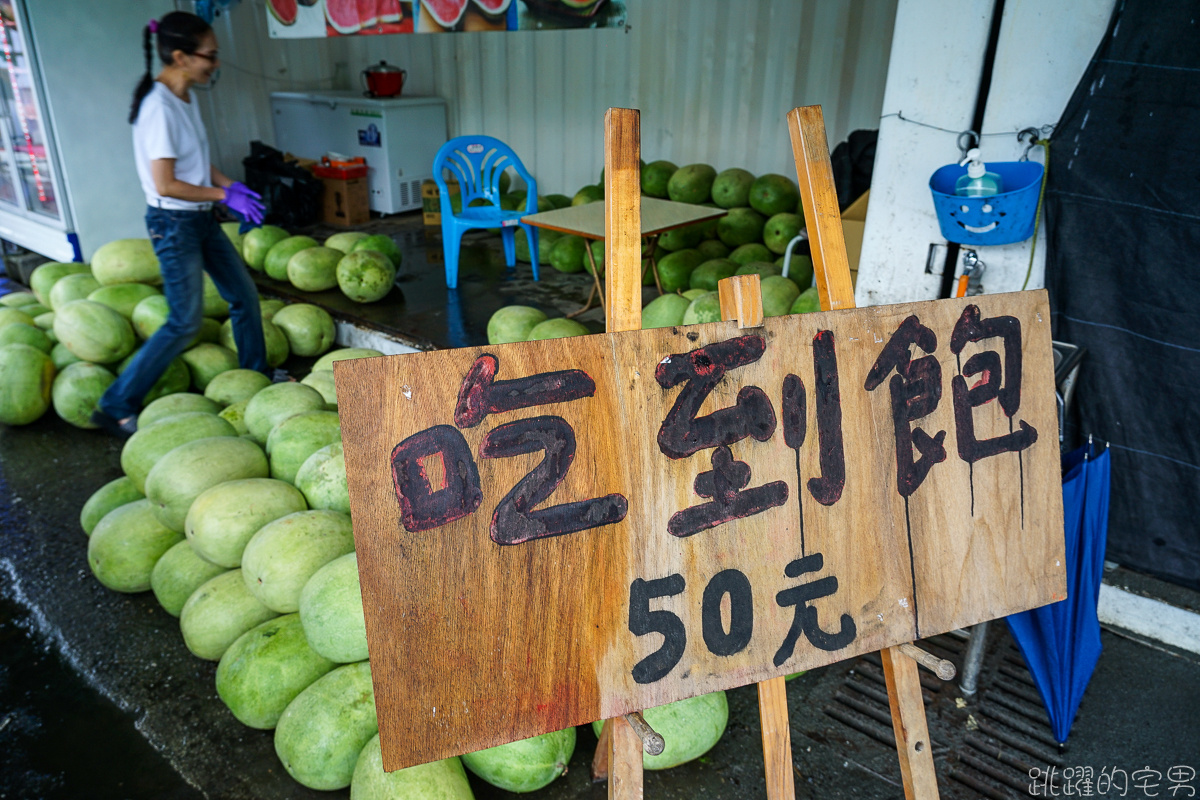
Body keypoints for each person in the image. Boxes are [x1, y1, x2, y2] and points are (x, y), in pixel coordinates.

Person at [93, 11, 268, 437]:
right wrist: (223, 196)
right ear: (180, 56)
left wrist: (230, 186)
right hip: (173, 223)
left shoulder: (185, 97)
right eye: (210, 55)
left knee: (244, 296)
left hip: (199, 218)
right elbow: (167, 183)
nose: (216, 63)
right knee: (184, 321)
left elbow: (194, 164)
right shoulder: (159, 109)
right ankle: (114, 405)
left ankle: (256, 378)